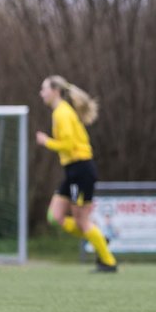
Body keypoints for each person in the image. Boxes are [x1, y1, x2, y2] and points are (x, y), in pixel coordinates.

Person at [36, 76, 119, 273]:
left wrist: (46, 141)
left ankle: (108, 262)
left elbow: (68, 145)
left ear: (55, 91)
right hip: (73, 171)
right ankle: (96, 235)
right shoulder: (61, 112)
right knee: (54, 217)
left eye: (44, 89)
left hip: (81, 170)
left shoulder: (62, 114)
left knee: (81, 222)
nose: (41, 93)